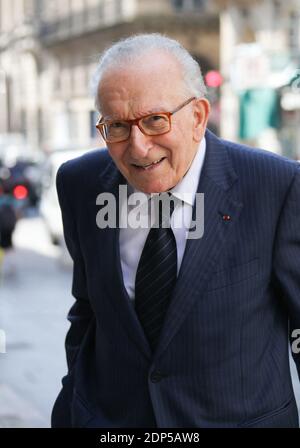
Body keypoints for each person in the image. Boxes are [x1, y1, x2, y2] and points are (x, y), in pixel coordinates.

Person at [51, 34, 300, 428]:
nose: (138, 148)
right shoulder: (79, 184)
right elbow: (88, 310)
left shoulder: (276, 186)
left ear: (198, 116)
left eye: (154, 121)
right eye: (116, 126)